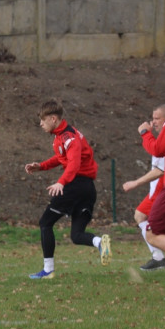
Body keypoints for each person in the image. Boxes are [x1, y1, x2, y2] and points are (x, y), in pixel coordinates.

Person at [24, 99, 111, 279]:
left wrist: (62, 183)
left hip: (74, 186)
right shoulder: (63, 135)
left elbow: (73, 164)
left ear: (53, 119)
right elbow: (60, 158)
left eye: (43, 119)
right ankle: (100, 242)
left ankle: (48, 270)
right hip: (87, 188)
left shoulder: (69, 137)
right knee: (77, 235)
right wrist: (41, 166)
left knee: (45, 223)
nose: (40, 123)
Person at [122, 104, 165, 271]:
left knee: (144, 219)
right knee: (143, 219)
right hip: (161, 188)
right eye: (153, 118)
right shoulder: (162, 135)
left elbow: (160, 168)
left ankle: (158, 258)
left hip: (163, 188)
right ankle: (158, 258)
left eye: (157, 118)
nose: (153, 122)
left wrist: (136, 183)